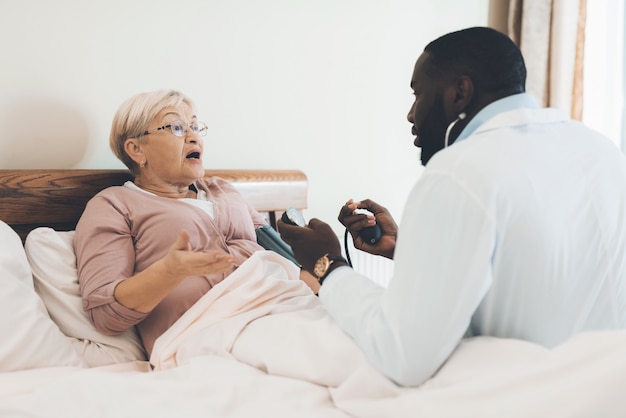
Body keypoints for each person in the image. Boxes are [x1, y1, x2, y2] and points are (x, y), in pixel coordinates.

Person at [277, 26, 626, 387]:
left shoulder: (459, 172)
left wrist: (327, 264)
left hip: (522, 396)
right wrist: (413, 251)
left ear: (460, 92)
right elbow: (541, 272)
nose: (411, 115)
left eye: (418, 94)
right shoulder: (600, 151)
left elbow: (402, 354)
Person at [75, 90, 267, 357]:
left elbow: (276, 250)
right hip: (204, 337)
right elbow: (105, 313)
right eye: (176, 127)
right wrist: (169, 271)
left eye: (195, 126)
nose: (193, 136)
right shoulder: (114, 204)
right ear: (136, 149)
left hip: (277, 306)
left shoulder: (222, 190)